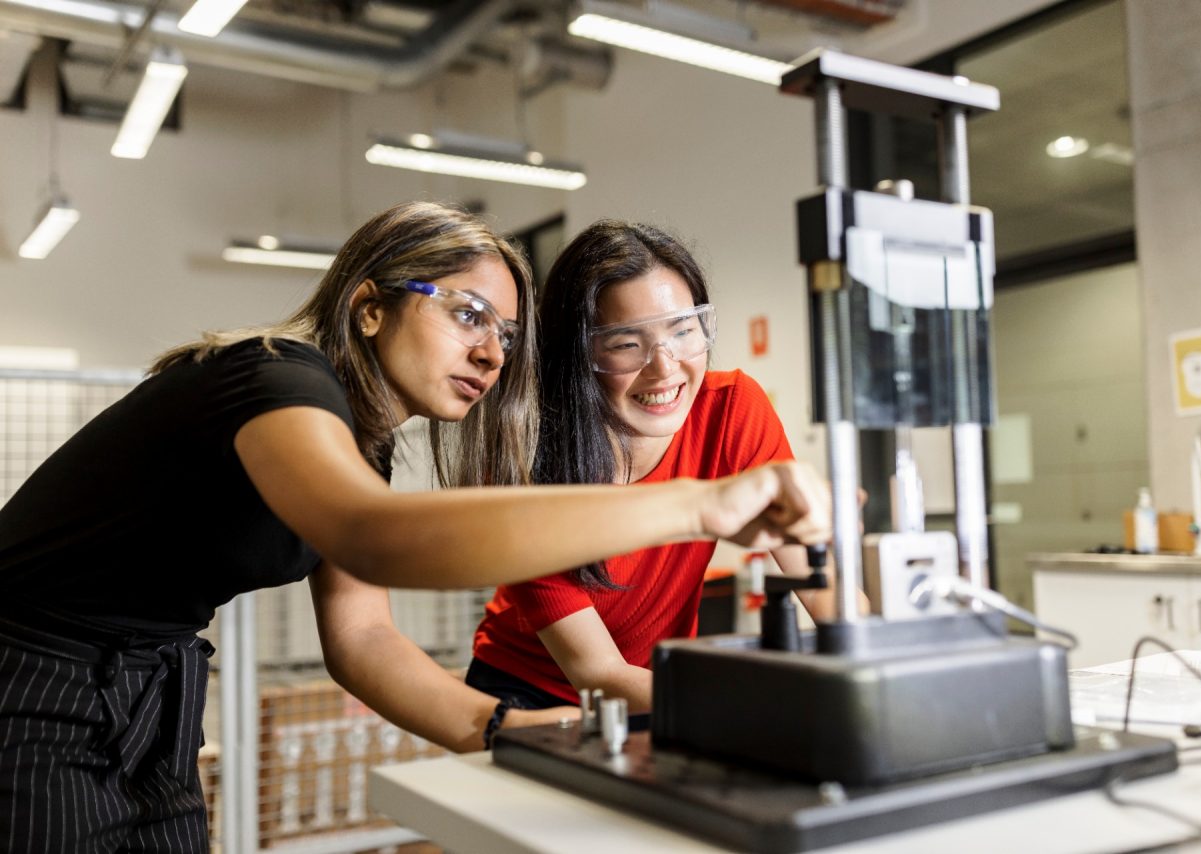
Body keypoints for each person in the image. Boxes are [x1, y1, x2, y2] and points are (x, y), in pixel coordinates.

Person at [0, 202, 830, 852]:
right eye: (469, 315)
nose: (493, 354)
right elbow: (372, 534)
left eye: (505, 335)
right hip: (27, 673)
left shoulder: (364, 443)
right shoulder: (272, 380)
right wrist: (702, 503)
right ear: (368, 306)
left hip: (154, 683)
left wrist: (497, 725)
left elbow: (363, 638)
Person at [467, 220, 834, 713]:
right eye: (626, 344)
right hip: (526, 694)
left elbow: (820, 578)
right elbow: (597, 673)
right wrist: (758, 708)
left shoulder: (731, 409)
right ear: (578, 354)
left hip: (657, 685)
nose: (665, 368)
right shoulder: (527, 461)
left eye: (683, 331)